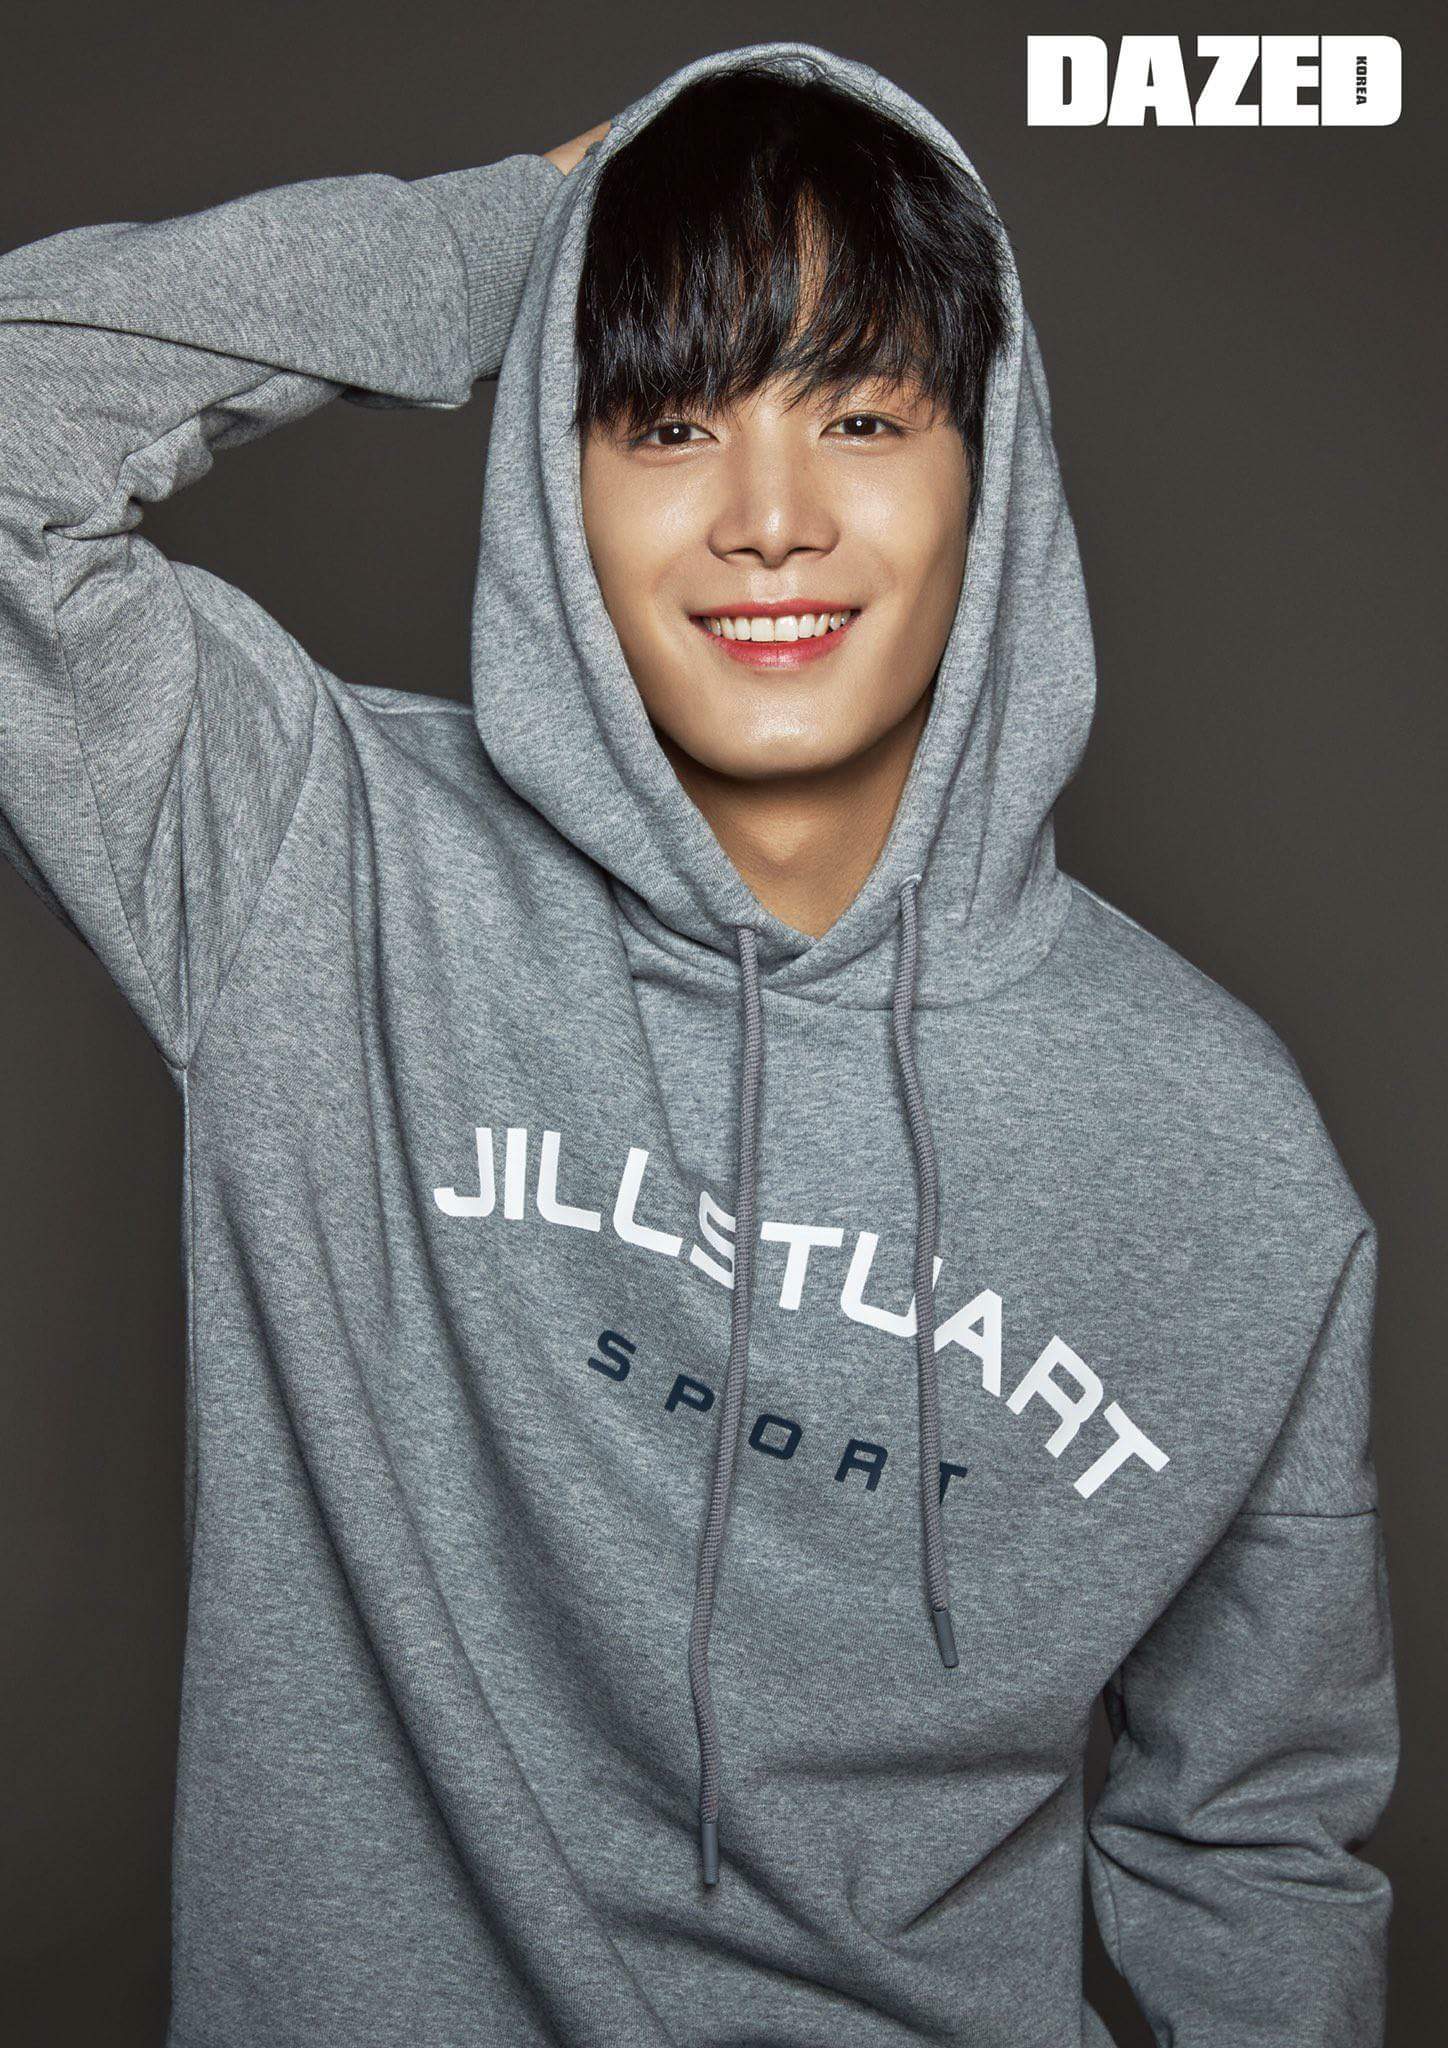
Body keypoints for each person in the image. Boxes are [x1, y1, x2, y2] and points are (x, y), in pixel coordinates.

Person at [0, 38, 1397, 2048]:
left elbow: (1253, 1846)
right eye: (667, 423)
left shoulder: (1219, 1146)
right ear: (553, 478)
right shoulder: (312, 863)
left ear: (989, 471)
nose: (769, 520)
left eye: (861, 415)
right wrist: (506, 240)